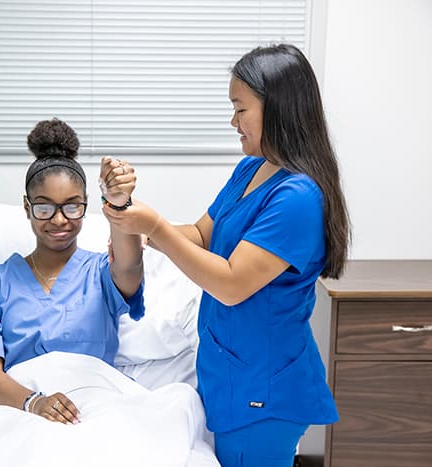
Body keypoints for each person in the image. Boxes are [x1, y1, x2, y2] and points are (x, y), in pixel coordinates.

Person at [103, 44, 350, 467]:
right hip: (233, 374)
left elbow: (233, 284)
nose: (233, 121)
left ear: (278, 109)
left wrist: (155, 227)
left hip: (266, 389)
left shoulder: (298, 197)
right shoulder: (253, 169)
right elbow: (201, 234)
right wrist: (135, 226)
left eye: (241, 109)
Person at [0, 118, 145, 425]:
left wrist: (119, 204)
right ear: (27, 208)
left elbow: (129, 266)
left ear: (87, 206)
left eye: (72, 206)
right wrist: (34, 405)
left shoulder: (102, 272)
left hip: (96, 408)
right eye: (44, 207)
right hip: (19, 411)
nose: (59, 220)